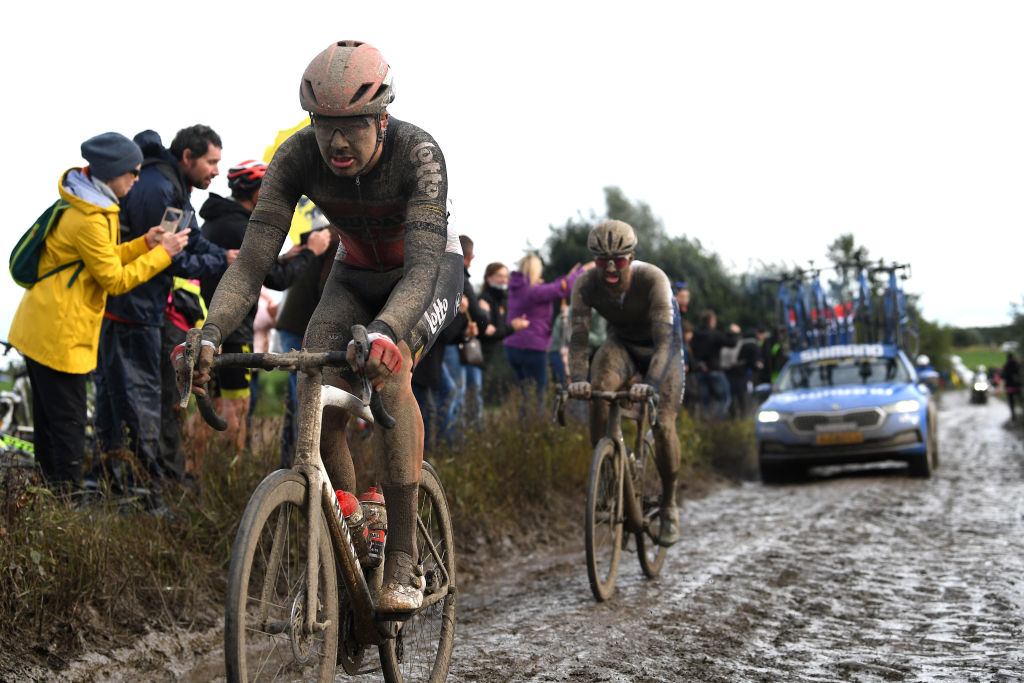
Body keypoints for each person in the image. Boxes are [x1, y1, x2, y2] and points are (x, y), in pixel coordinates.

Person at [177, 40, 462, 613]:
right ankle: (354, 518)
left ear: (381, 118)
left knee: (392, 370)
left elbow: (425, 265)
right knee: (317, 383)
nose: (334, 142)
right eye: (322, 125)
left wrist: (385, 333)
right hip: (353, 272)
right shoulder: (295, 156)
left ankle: (403, 555)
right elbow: (254, 261)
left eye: (351, 127)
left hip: (424, 275)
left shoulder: (418, 153)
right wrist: (209, 334)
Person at [8, 132, 189, 492]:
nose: (137, 179)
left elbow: (100, 260)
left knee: (50, 423)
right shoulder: (90, 217)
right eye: (132, 173)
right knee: (68, 427)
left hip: (43, 327)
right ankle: (67, 503)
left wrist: (144, 244)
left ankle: (50, 500)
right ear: (112, 173)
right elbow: (114, 280)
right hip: (58, 336)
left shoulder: (91, 205)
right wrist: (163, 254)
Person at [93, 125, 234, 490]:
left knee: (134, 399)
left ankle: (123, 483)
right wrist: (219, 262)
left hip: (144, 310)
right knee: (136, 401)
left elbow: (194, 242)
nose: (217, 171)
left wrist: (226, 257)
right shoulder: (158, 189)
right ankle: (142, 489)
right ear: (188, 156)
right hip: (130, 311)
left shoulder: (175, 185)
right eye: (212, 162)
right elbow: (170, 259)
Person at [566, 220, 685, 547]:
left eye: (618, 261)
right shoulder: (585, 285)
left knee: (663, 424)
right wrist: (578, 379)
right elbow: (578, 340)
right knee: (598, 388)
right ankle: (609, 474)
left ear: (631, 257)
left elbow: (664, 344)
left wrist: (650, 383)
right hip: (622, 345)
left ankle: (669, 503)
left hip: (662, 349)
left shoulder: (653, 279)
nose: (610, 269)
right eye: (602, 261)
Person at [198, 160, 330, 453]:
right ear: (257, 192)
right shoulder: (243, 227)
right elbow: (277, 279)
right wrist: (310, 252)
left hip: (208, 325)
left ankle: (198, 475)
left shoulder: (216, 221)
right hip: (235, 329)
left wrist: (286, 255)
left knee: (208, 406)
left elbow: (256, 266)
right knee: (238, 406)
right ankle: (231, 472)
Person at [503, 253, 592, 399]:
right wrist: (582, 273)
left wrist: (569, 277)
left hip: (512, 346)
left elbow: (556, 287)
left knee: (525, 394)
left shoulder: (517, 288)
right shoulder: (533, 290)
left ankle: (522, 421)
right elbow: (560, 289)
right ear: (534, 270)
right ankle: (536, 421)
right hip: (531, 346)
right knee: (537, 394)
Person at [478, 262, 528, 405]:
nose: (504, 280)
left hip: (484, 358)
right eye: (499, 276)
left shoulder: (499, 300)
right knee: (473, 399)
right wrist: (512, 328)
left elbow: (497, 330)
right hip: (474, 357)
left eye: (506, 276)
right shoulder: (485, 299)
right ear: (488, 278)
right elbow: (488, 332)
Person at [690, 309, 735, 420]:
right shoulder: (714, 334)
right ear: (711, 321)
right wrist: (732, 332)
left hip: (700, 371)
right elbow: (731, 343)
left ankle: (706, 424)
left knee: (705, 401)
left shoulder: (695, 334)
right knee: (724, 399)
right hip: (714, 370)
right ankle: (716, 422)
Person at [1002, 352, 1021, 421]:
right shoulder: (1017, 365)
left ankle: (1013, 416)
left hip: (1009, 387)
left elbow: (1003, 376)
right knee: (1020, 400)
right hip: (1017, 387)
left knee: (1011, 402)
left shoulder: (1006, 366)